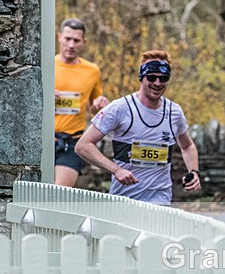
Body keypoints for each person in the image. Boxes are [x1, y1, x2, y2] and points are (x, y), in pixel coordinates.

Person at [76, 50, 201, 205]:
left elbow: (188, 146)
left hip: (160, 200)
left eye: (163, 78)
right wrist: (116, 170)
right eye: (151, 77)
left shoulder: (174, 112)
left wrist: (194, 172)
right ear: (141, 78)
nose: (157, 83)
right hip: (123, 202)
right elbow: (83, 146)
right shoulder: (119, 109)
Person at [54, 18, 110, 187]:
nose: (71, 45)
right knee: (36, 192)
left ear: (84, 42)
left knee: (58, 193)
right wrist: (43, 97)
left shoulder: (92, 70)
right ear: (59, 37)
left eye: (76, 40)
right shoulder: (46, 65)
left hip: (72, 140)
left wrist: (100, 104)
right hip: (43, 139)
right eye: (67, 39)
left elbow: (94, 110)